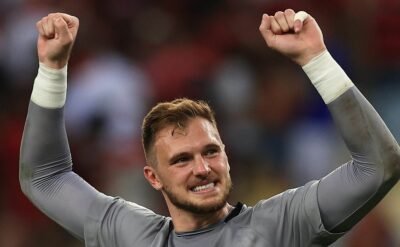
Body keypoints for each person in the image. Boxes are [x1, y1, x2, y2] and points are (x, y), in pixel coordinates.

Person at [20, 10, 400, 247]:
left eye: (210, 151)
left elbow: (378, 166)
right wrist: (52, 70)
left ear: (226, 155)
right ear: (154, 178)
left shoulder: (282, 225)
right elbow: (44, 177)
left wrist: (316, 60)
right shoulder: (130, 234)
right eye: (182, 159)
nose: (202, 168)